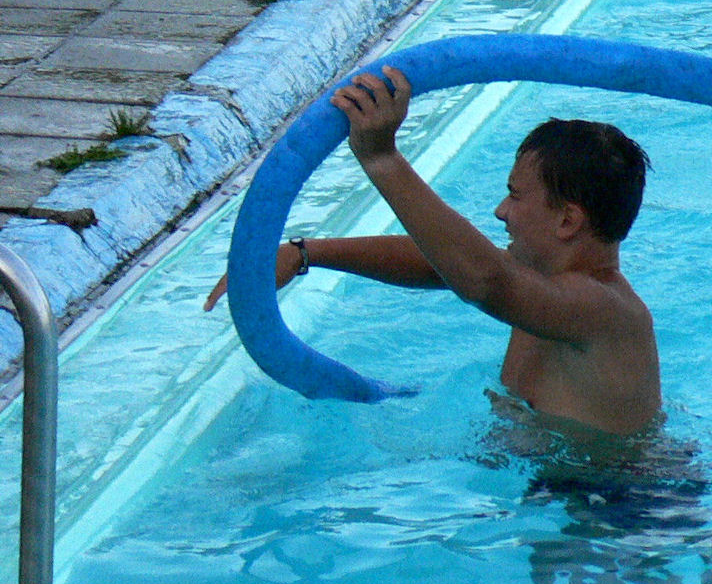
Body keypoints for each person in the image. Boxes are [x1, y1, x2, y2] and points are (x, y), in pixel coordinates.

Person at [207, 67, 663, 434]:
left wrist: (381, 158)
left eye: (515, 195)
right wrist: (306, 253)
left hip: (620, 506)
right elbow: (441, 262)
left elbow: (484, 280)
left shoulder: (606, 310)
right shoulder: (547, 283)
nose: (501, 211)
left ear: (567, 220)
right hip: (560, 482)